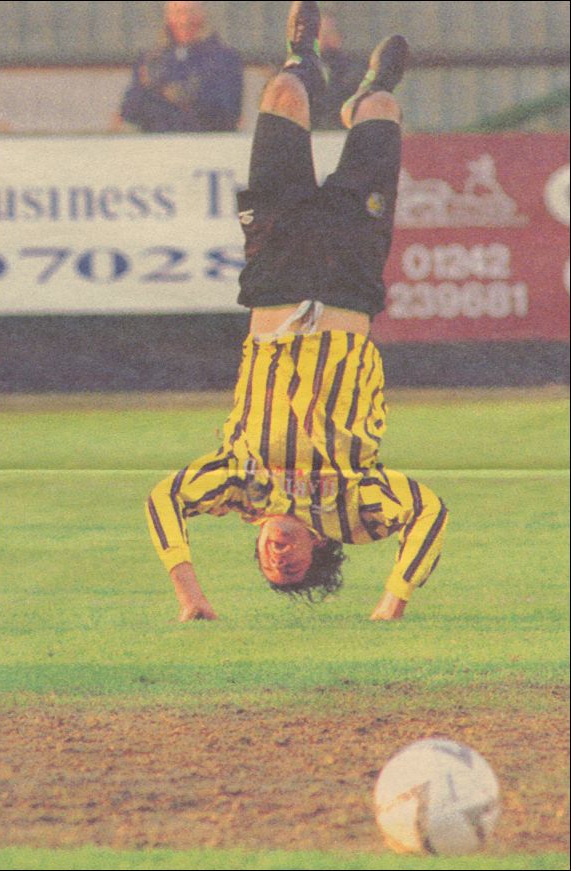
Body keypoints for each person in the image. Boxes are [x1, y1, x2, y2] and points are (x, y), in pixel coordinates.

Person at [146, 1, 448, 622]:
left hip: (276, 278)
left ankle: (303, 58)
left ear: (256, 543)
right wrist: (391, 603)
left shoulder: (237, 486)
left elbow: (162, 499)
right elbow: (430, 515)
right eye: (292, 564)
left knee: (282, 93)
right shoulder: (359, 507)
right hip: (346, 281)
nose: (278, 555)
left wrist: (191, 596)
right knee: (384, 112)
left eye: (267, 562)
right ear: (322, 547)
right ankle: (366, 90)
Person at [119, 1, 243, 133]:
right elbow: (129, 114)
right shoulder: (150, 59)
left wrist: (186, 97)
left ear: (203, 16)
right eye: (178, 12)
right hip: (159, 146)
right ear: (168, 18)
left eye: (191, 12)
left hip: (206, 145)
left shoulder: (225, 59)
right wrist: (147, 88)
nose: (185, 20)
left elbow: (228, 113)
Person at [315, 12, 366, 130]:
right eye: (316, 33)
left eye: (327, 33)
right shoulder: (296, 69)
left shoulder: (353, 72)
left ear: (338, 37)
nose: (322, 38)